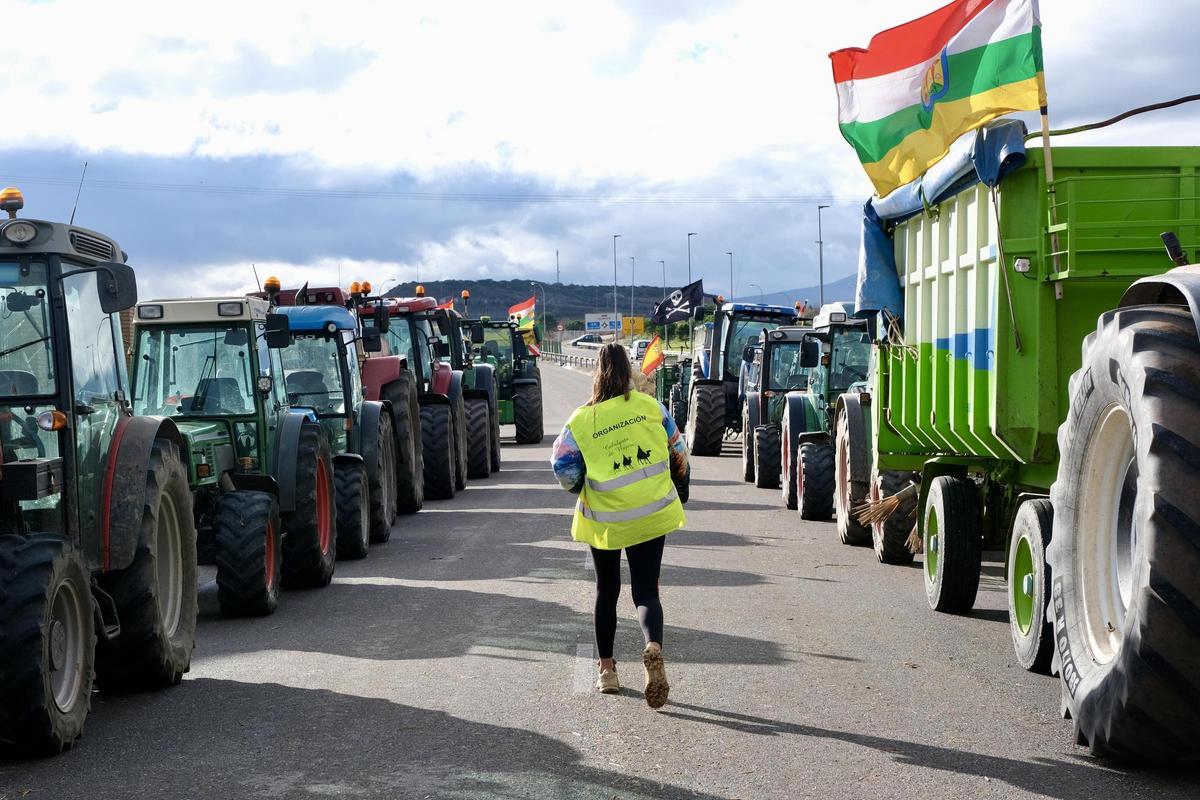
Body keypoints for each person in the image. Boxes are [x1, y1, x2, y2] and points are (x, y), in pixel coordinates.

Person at [551, 343, 688, 709]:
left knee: (606, 590)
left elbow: (562, 468)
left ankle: (608, 671)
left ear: (596, 373)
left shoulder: (581, 420)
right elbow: (679, 449)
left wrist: (584, 487)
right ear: (629, 371)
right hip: (651, 513)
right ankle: (653, 646)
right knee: (646, 592)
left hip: (607, 520)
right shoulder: (652, 408)